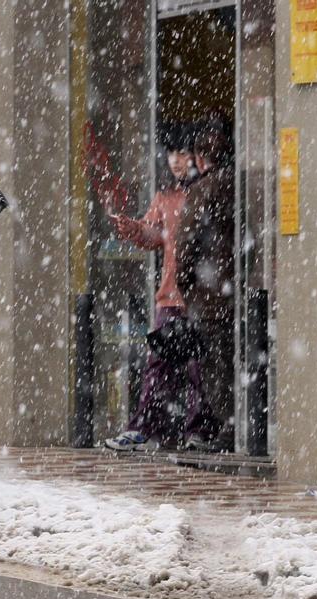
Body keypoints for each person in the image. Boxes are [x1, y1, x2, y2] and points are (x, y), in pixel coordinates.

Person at [104, 125, 207, 451]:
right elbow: (153, 236)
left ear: (197, 155)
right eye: (172, 154)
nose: (176, 161)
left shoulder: (206, 191)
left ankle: (197, 431)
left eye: (183, 153)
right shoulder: (166, 197)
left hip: (201, 296)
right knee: (158, 367)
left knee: (198, 367)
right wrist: (133, 228)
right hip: (170, 295)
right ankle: (145, 428)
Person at [172, 115, 236, 452]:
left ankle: (228, 429)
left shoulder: (201, 191)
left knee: (214, 365)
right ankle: (243, 427)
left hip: (209, 295)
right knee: (235, 359)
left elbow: (186, 244)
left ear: (199, 159)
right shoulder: (238, 185)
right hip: (236, 292)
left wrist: (184, 284)